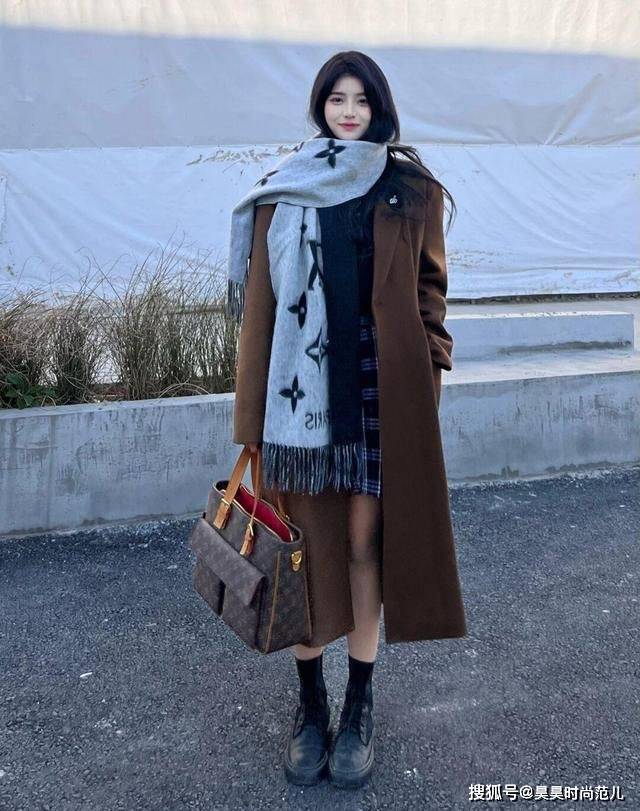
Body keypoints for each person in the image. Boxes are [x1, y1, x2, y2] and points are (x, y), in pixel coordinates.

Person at [229, 51, 467, 790]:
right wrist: (249, 420)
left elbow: (430, 292)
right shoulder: (283, 189)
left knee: (365, 546)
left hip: (378, 393)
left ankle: (359, 704)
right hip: (297, 406)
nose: (349, 111)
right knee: (302, 550)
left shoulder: (410, 187)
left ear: (380, 106)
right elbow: (261, 314)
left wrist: (428, 371)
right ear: (320, 105)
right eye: (337, 98)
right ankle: (311, 708)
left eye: (362, 99)